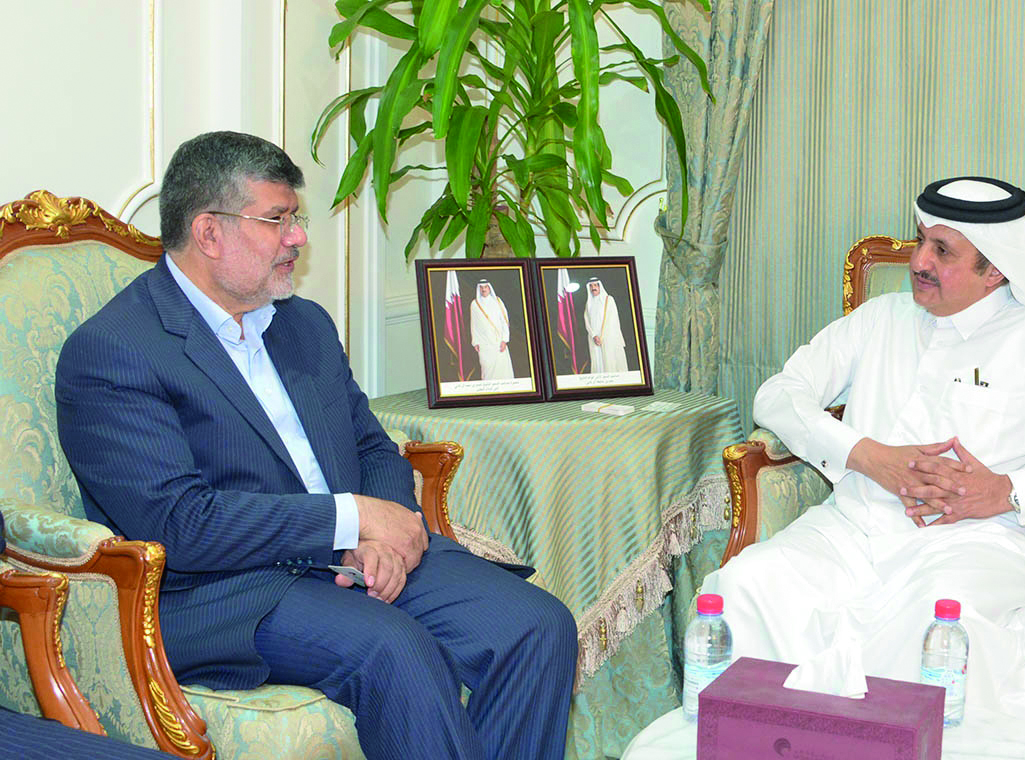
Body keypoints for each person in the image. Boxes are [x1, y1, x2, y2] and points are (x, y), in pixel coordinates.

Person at [54, 131, 576, 760]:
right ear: (209, 232)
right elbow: (180, 524)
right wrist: (351, 521)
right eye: (277, 219)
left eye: (295, 218)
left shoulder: (304, 324)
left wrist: (383, 536)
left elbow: (372, 447)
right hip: (228, 592)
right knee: (395, 649)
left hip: (351, 558)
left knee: (537, 626)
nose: (298, 237)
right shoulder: (116, 350)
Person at [623, 177, 1025, 759]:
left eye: (942, 251)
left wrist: (1007, 491)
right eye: (920, 240)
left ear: (995, 271)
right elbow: (778, 395)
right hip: (852, 527)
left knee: (929, 627)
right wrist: (866, 455)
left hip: (980, 539)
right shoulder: (879, 319)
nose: (918, 261)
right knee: (745, 587)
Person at [470, 280, 515, 380]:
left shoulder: (497, 301)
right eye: (481, 287)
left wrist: (504, 340)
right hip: (484, 344)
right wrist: (475, 341)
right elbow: (474, 324)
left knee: (502, 370)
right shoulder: (475, 304)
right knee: (487, 370)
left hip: (498, 342)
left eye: (485, 287)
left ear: (489, 288)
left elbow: (504, 321)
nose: (483, 289)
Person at [583, 277, 628, 373]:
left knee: (609, 362)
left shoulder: (609, 300)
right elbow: (586, 321)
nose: (593, 288)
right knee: (597, 362)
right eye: (591, 286)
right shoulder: (589, 303)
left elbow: (612, 320)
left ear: (600, 286)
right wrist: (594, 336)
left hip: (608, 338)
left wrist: (602, 337)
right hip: (594, 339)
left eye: (595, 285)